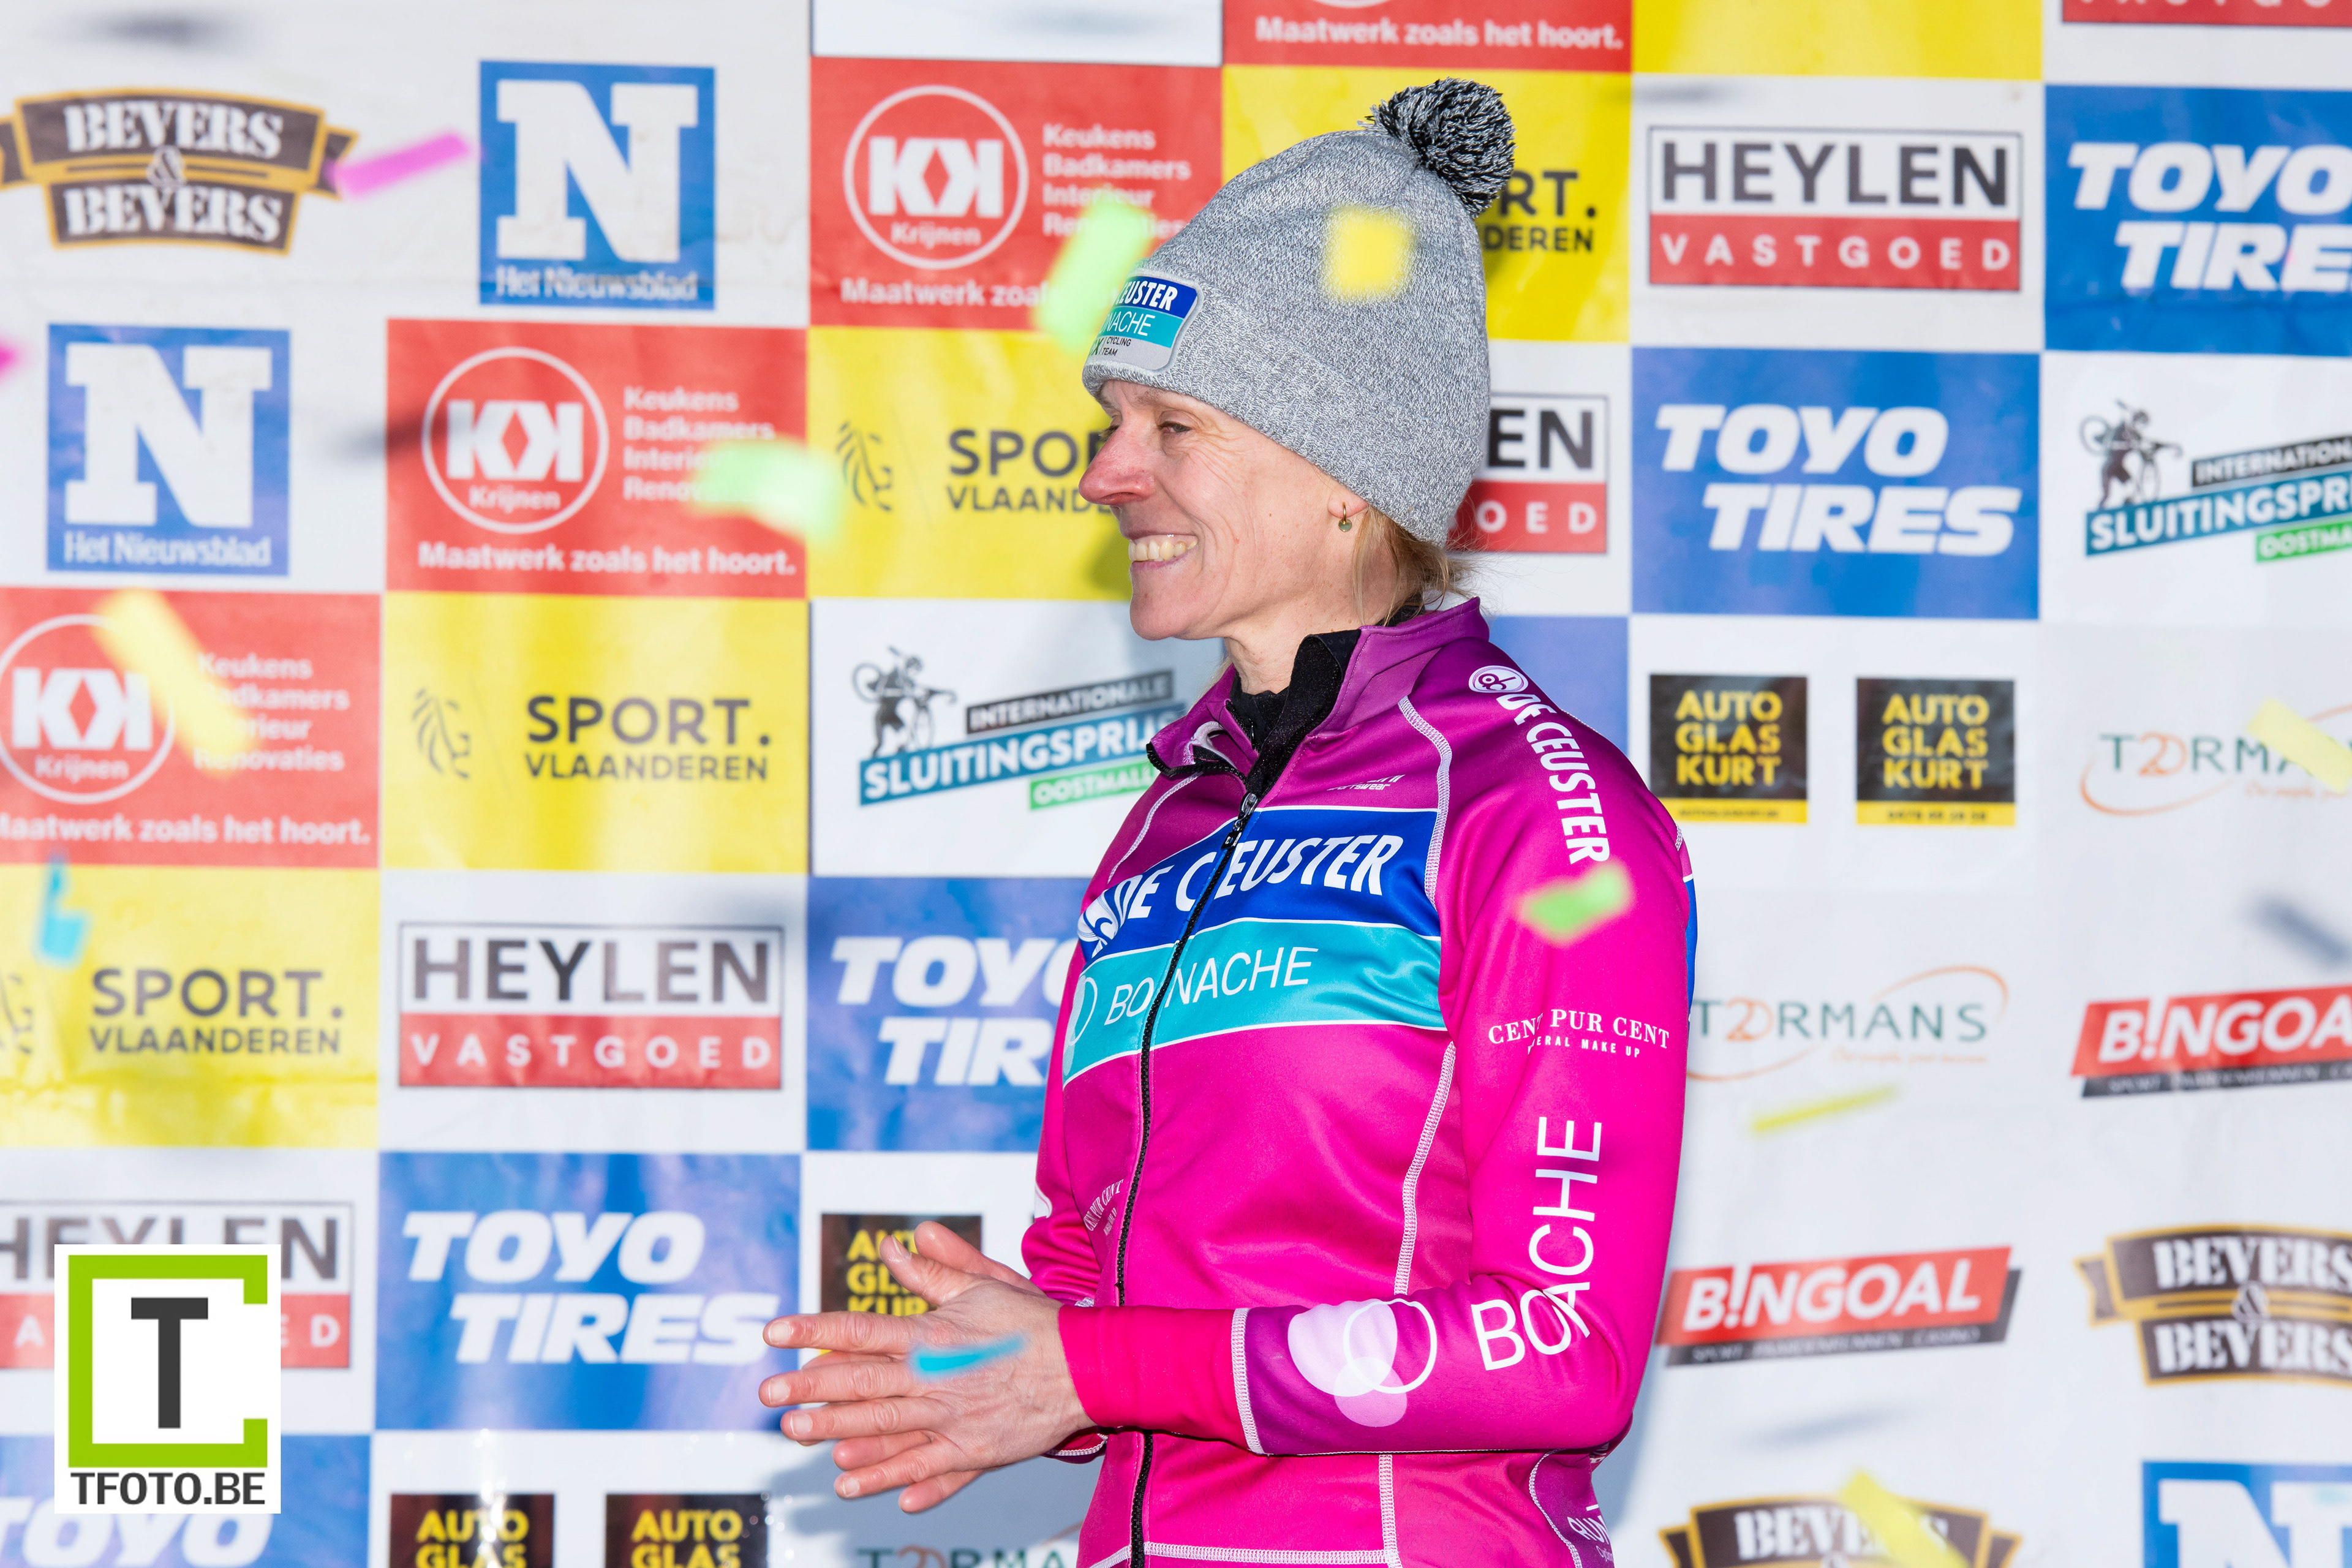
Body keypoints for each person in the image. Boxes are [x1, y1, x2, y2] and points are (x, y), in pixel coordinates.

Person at [761, 79, 1696, 1566]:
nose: (1105, 473)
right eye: (1111, 421)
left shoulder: (1539, 814)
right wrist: (1001, 1368)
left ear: (1347, 478)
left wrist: (1092, 1364)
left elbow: (1562, 1348)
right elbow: (1101, 1284)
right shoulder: (1171, 819)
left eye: (1173, 424)